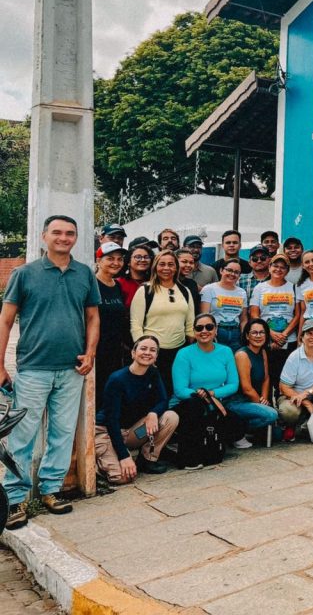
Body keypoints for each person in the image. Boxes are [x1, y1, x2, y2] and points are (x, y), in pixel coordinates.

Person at [0, 216, 100, 529]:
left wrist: (91, 352)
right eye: (57, 232)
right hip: (33, 368)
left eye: (70, 233)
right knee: (22, 435)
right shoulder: (24, 274)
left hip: (72, 369)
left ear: (76, 238)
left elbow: (94, 316)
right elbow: (5, 320)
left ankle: (50, 490)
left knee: (62, 432)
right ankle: (14, 499)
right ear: (44, 236)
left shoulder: (84, 273)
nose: (63, 238)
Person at [95, 335, 178, 483]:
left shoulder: (153, 373)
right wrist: (123, 456)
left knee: (170, 417)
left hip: (132, 432)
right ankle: (99, 462)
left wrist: (153, 413)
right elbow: (111, 420)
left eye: (153, 350)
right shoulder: (117, 379)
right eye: (143, 348)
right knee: (122, 477)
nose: (147, 352)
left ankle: (147, 459)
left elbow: (163, 400)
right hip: (107, 432)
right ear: (133, 353)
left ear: (156, 356)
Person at [170, 314, 246, 467]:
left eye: (209, 327)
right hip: (188, 403)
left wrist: (212, 394)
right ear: (194, 331)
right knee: (195, 407)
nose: (204, 331)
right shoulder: (184, 354)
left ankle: (211, 446)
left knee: (239, 423)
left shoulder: (225, 351)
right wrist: (200, 395)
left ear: (216, 330)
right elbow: (180, 390)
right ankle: (189, 457)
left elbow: (233, 384)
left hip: (214, 402)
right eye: (199, 328)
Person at [130, 249, 195, 394]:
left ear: (176, 267)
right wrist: (144, 353)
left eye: (171, 264)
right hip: (152, 354)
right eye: (162, 264)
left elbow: (190, 325)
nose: (166, 268)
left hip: (178, 353)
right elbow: (135, 325)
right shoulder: (145, 290)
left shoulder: (185, 291)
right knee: (151, 395)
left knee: (174, 392)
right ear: (155, 267)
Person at [249, 255, 300, 387]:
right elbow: (254, 314)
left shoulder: (294, 287)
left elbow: (298, 314)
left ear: (287, 271)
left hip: (288, 339)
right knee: (265, 375)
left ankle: (282, 401)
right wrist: (270, 333)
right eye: (275, 266)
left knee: (285, 375)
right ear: (269, 267)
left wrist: (284, 335)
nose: (279, 269)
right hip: (265, 338)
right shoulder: (259, 288)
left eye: (283, 267)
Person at [231, 319, 277, 446]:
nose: (258, 336)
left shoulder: (262, 352)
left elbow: (266, 378)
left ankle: (248, 431)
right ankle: (236, 432)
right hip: (237, 402)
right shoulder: (242, 355)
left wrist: (264, 399)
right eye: (254, 333)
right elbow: (246, 388)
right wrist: (262, 405)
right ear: (247, 335)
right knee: (271, 415)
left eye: (262, 332)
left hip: (254, 401)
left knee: (277, 434)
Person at [94, 242, 130, 395]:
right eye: (110, 258)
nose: (116, 263)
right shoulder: (91, 284)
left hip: (114, 352)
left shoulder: (117, 286)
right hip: (95, 351)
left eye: (120, 259)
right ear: (98, 261)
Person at [201, 261, 249, 351]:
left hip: (236, 333)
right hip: (216, 332)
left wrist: (243, 334)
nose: (232, 274)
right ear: (221, 271)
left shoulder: (242, 292)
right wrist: (210, 333)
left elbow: (243, 318)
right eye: (229, 270)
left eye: (236, 272)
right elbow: (204, 315)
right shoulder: (209, 289)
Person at [174, 249, 202, 315]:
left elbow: (195, 310)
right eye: (184, 262)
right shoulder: (167, 283)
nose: (188, 265)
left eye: (191, 262)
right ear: (174, 262)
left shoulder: (192, 284)